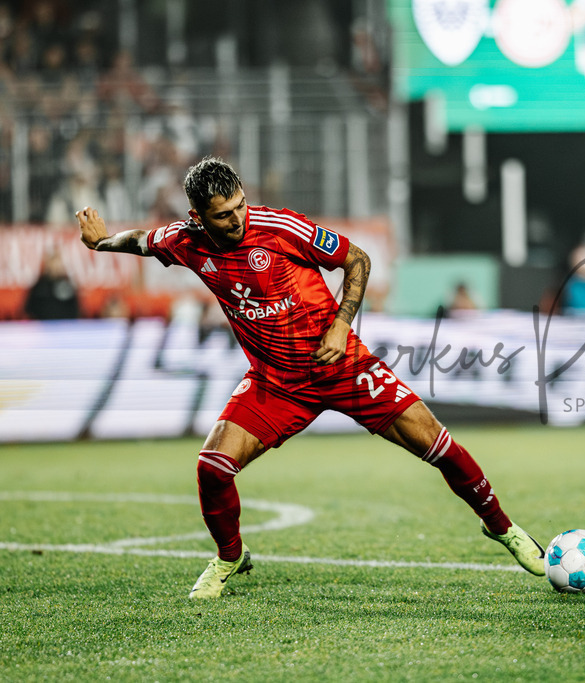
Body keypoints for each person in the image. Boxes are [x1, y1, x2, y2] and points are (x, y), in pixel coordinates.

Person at [76, 157, 546, 599]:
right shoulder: (185, 240)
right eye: (223, 215)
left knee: (439, 446)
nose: (238, 220)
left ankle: (502, 527)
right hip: (275, 384)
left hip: (342, 367)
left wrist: (342, 324)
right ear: (197, 216)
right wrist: (101, 242)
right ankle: (230, 558)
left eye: (240, 205)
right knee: (212, 467)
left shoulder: (280, 228)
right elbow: (142, 240)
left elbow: (357, 259)